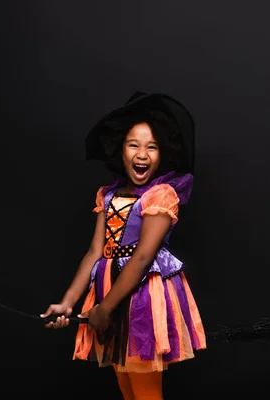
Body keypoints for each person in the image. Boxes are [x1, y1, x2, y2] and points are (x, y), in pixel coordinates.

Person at [40, 91, 206, 400]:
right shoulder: (107, 195)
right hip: (106, 292)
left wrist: (106, 308)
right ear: (121, 150)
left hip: (140, 299)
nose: (142, 154)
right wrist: (67, 303)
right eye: (134, 145)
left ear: (163, 153)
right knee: (127, 389)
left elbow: (143, 257)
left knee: (145, 392)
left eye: (151, 147)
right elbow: (94, 251)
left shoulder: (160, 196)